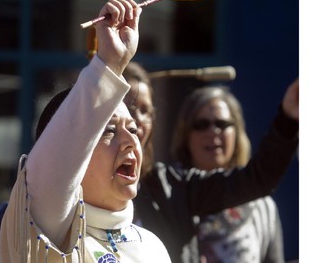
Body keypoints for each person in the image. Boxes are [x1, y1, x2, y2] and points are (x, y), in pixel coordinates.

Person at [0, 0, 172, 262]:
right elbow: (51, 176)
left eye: (133, 130)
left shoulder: (153, 247)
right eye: (108, 130)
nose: (130, 141)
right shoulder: (43, 228)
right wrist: (109, 63)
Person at [122, 62, 299, 263]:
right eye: (129, 106)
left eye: (145, 110)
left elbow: (259, 178)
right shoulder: (83, 183)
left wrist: (288, 120)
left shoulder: (171, 187)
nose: (135, 118)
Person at [171, 85, 289, 262]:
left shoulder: (262, 206)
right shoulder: (169, 196)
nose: (213, 132)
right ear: (185, 135)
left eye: (222, 124)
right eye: (201, 125)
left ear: (237, 132)